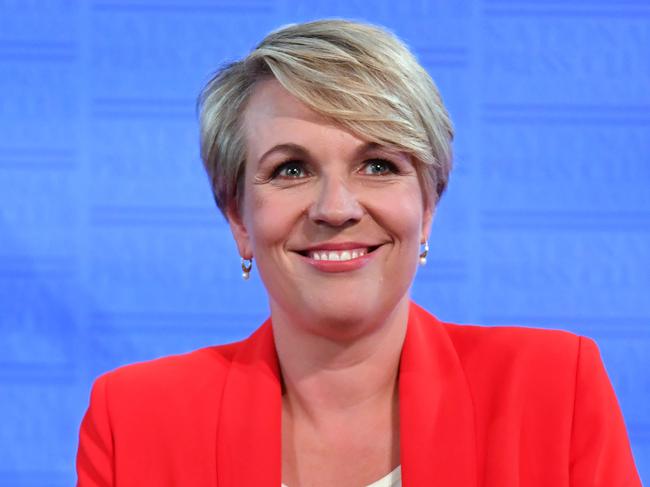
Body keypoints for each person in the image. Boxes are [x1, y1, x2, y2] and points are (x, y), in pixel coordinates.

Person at [76, 19, 641, 487]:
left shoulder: (553, 391)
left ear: (429, 206)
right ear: (237, 219)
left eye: (378, 165)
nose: (336, 207)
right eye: (290, 170)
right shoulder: (134, 421)